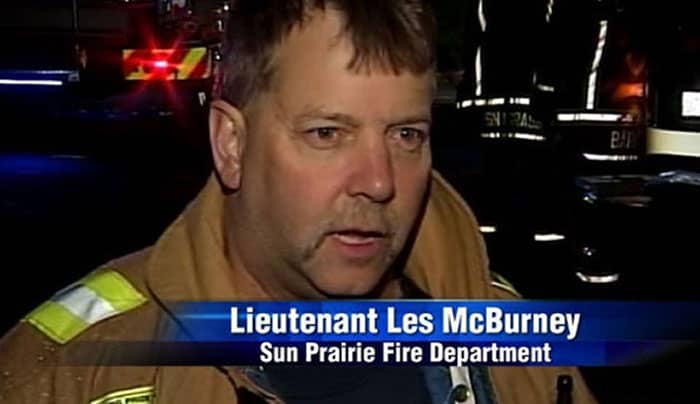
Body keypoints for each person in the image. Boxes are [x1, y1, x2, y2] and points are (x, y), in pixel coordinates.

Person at [0, 1, 598, 403]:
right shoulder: (70, 371)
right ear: (231, 144)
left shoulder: (515, 346)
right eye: (327, 133)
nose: (379, 183)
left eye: (405, 135)